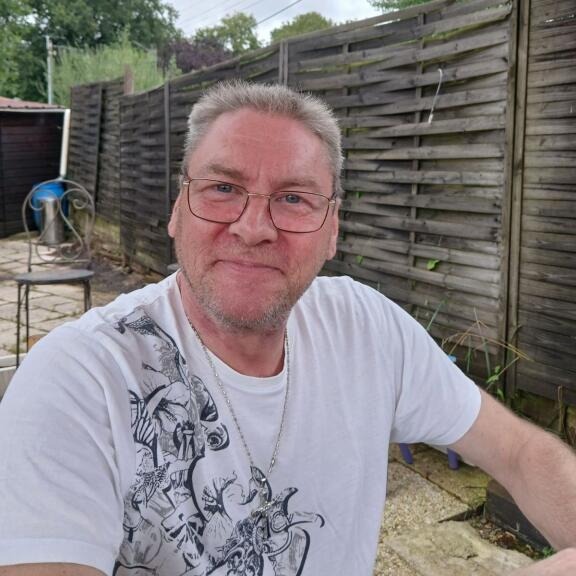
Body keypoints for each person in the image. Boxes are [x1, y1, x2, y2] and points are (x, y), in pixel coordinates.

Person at [0, 81, 574, 576]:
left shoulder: (367, 328)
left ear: (332, 229)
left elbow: (521, 451)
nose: (254, 228)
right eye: (223, 188)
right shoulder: (79, 379)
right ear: (178, 208)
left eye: (294, 198)